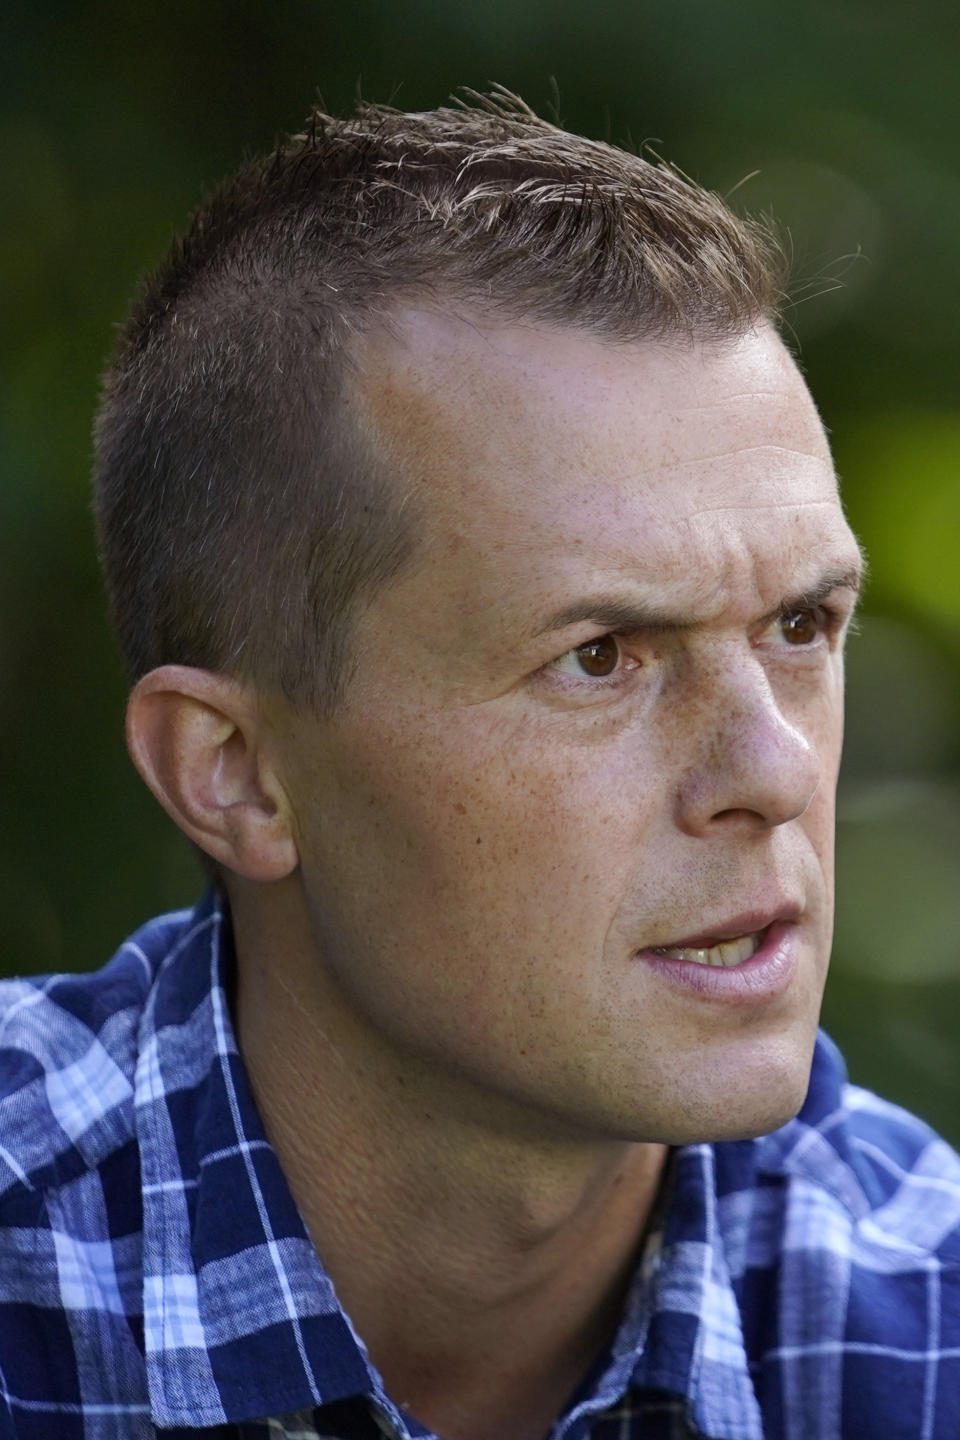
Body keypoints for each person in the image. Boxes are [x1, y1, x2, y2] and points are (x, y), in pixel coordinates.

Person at [1, 89, 959, 1440]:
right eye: (601, 656)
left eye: (802, 627)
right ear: (235, 773)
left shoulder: (922, 1319)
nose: (774, 769)